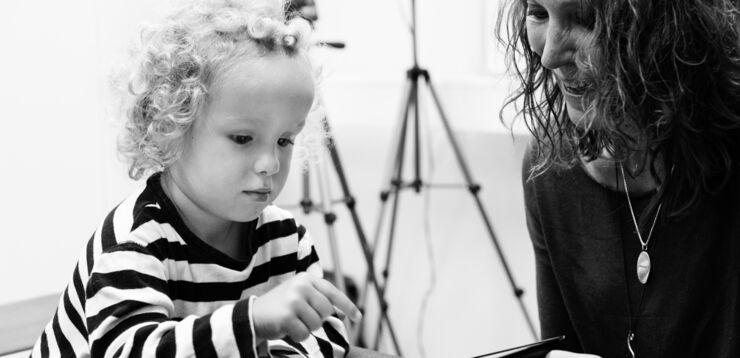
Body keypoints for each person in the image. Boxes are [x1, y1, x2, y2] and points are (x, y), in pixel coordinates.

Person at [29, 1, 396, 357]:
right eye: (242, 139)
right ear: (172, 127)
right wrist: (252, 321)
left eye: (284, 140)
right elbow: (132, 350)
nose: (269, 163)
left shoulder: (285, 238)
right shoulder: (133, 240)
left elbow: (325, 333)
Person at [498, 0, 740, 357]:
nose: (549, 54)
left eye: (584, 19)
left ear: (669, 26)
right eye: (538, 13)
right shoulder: (551, 167)